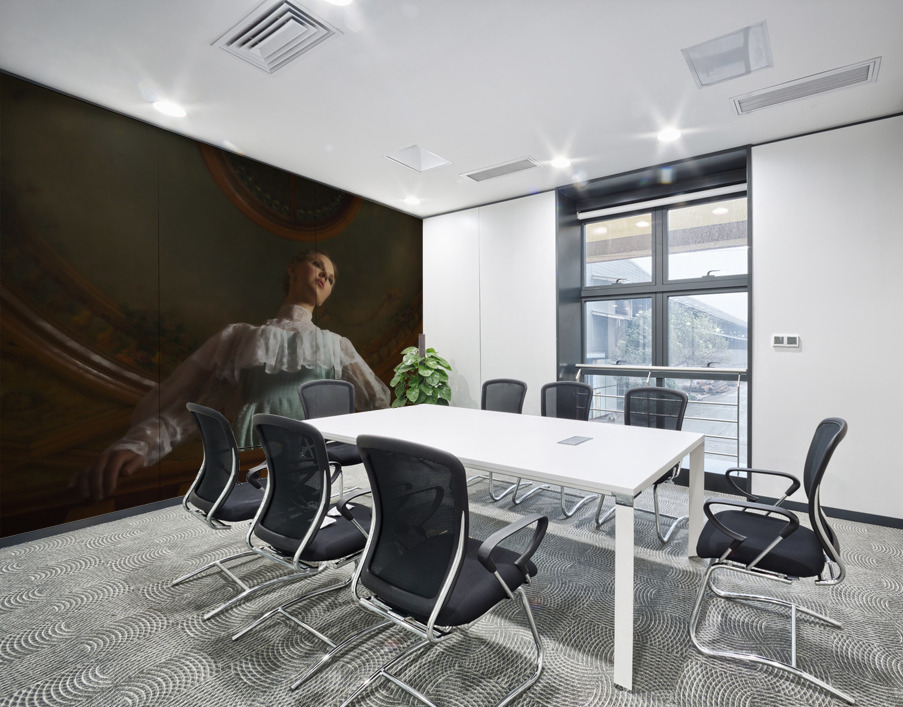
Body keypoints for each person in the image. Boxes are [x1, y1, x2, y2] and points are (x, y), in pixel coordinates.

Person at [74, 249, 390, 501]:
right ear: (292, 270)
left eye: (331, 278)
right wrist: (140, 444)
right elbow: (191, 406)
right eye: (318, 265)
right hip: (253, 448)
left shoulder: (337, 344)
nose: (324, 276)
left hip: (315, 450)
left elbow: (378, 404)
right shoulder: (240, 337)